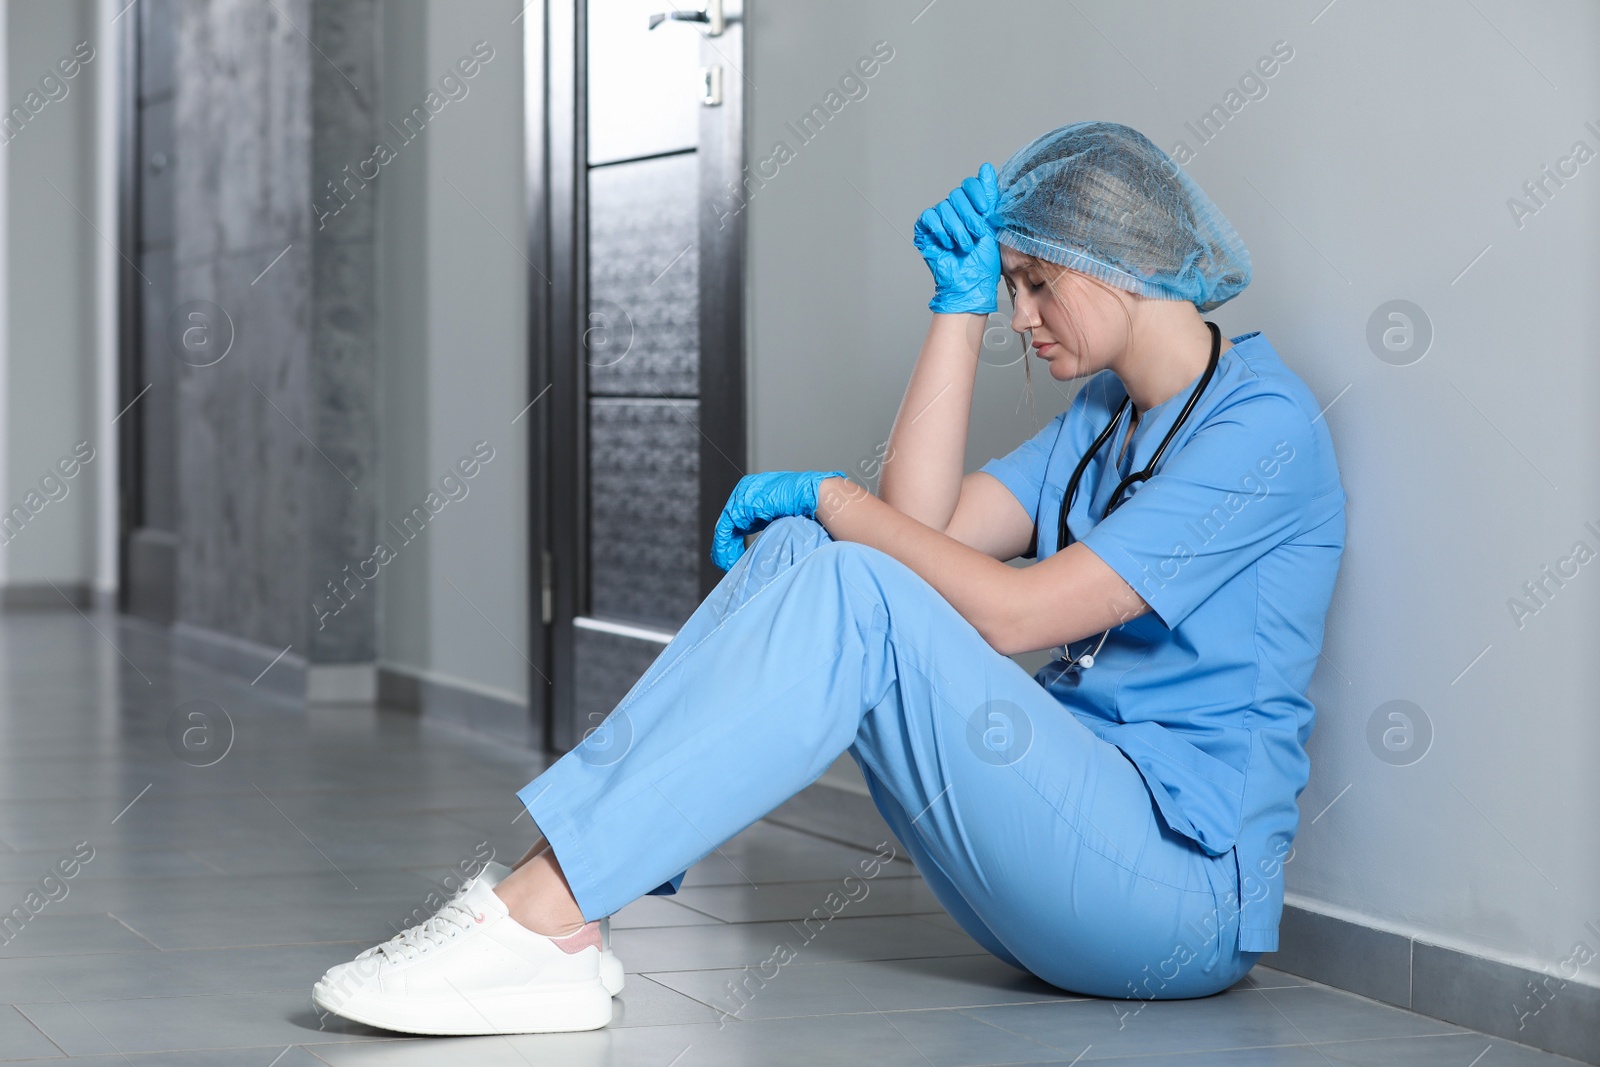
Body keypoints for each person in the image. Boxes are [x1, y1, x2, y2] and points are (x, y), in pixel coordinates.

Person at [312, 119, 1347, 1036]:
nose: (1019, 317)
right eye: (1010, 287)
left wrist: (832, 497)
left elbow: (1017, 612)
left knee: (844, 557)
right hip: (1067, 855)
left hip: (1176, 895)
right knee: (816, 553)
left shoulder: (1264, 427)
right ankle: (564, 911)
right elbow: (921, 527)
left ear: (1119, 261)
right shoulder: (1101, 419)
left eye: (1035, 282)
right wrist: (951, 307)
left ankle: (543, 915)